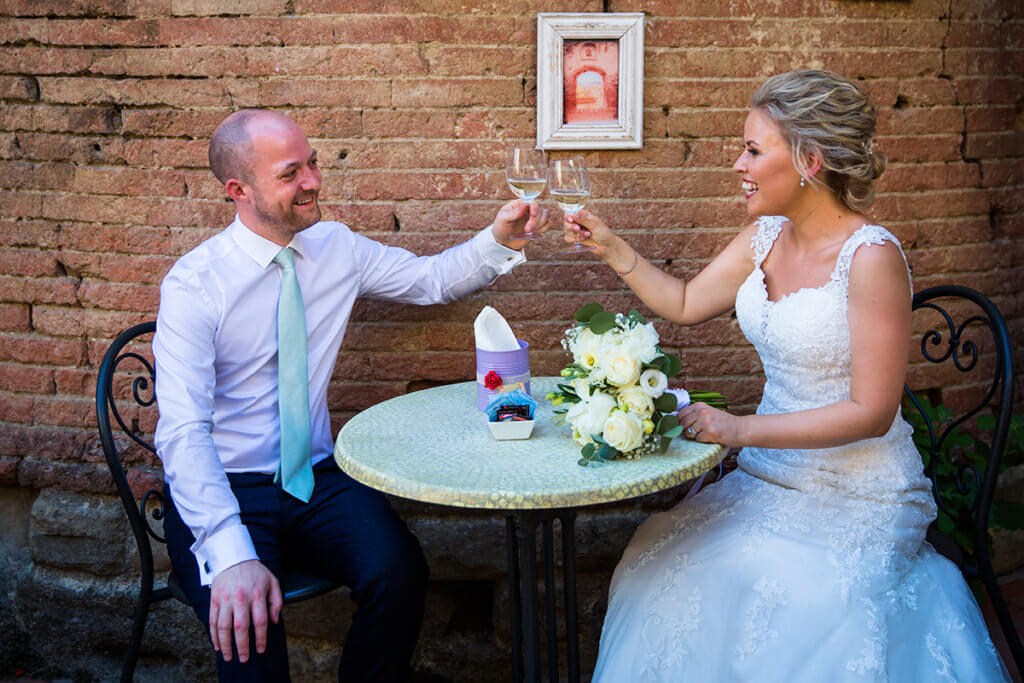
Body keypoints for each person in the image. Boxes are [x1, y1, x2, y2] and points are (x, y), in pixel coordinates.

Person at [563, 70, 1009, 681]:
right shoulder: (763, 237)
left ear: (809, 159)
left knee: (782, 601)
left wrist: (739, 429)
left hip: (858, 494)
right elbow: (687, 302)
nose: (738, 164)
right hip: (770, 481)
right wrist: (612, 247)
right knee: (655, 565)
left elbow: (872, 411)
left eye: (752, 149)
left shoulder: (872, 258)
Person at [153, 108, 550, 682]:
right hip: (223, 489)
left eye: (312, 163)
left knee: (400, 572)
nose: (314, 180)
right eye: (292, 173)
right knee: (252, 639)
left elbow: (431, 280)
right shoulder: (195, 285)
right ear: (238, 190)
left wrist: (497, 240)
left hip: (314, 478)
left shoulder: (335, 247)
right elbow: (183, 432)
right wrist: (231, 553)